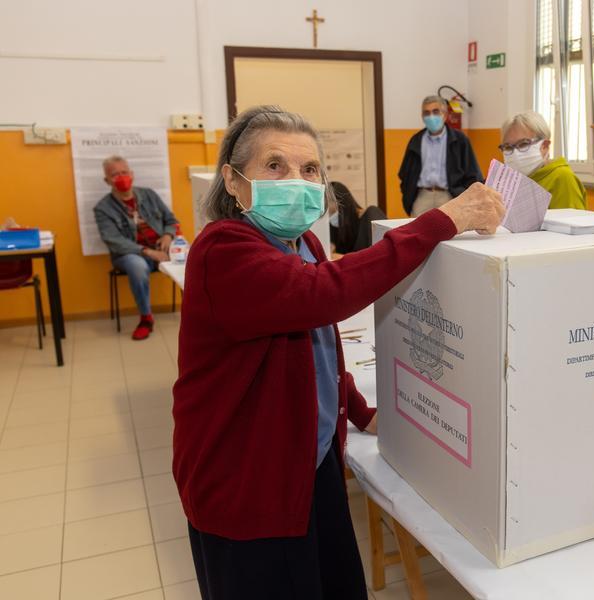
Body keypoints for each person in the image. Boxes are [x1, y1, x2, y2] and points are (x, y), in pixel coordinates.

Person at [172, 105, 503, 600]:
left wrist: (357, 408)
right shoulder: (223, 252)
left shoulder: (300, 241)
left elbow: (316, 341)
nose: (297, 181)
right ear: (234, 181)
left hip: (311, 460)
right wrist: (444, 219)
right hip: (248, 480)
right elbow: (323, 295)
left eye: (309, 170)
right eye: (275, 166)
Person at [93, 156, 179, 340]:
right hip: (129, 255)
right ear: (106, 180)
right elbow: (113, 240)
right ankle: (146, 318)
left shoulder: (149, 195)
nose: (121, 177)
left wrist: (167, 235)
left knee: (192, 256)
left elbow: (171, 220)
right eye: (114, 174)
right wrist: (147, 252)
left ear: (131, 174)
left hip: (161, 248)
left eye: (124, 172)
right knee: (137, 266)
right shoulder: (102, 208)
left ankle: (197, 312)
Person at [398, 95, 483, 216]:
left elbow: (473, 174)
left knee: (452, 233)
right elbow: (405, 174)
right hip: (422, 196)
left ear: (445, 115)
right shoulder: (415, 141)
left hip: (450, 196)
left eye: (435, 111)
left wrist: (464, 197)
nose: (431, 116)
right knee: (417, 232)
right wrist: (409, 195)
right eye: (426, 113)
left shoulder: (460, 140)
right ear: (422, 116)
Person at [500, 110, 586, 210]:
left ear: (544, 146)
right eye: (508, 147)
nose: (515, 153)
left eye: (523, 144)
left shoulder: (562, 178)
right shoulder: (511, 180)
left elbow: (572, 222)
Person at [328, 181, 387, 255]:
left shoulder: (371, 214)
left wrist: (342, 258)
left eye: (328, 201)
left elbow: (381, 253)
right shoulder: (335, 227)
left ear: (341, 202)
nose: (325, 207)